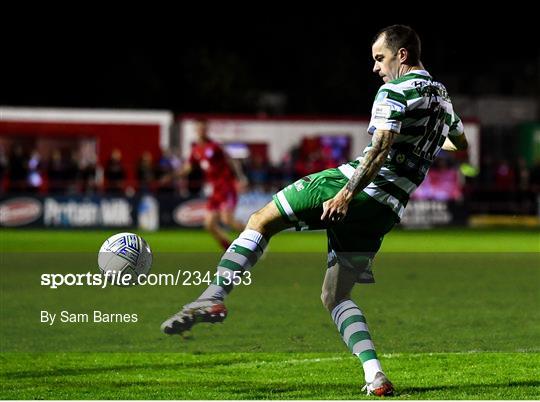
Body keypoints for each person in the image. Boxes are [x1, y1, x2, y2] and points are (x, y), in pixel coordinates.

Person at [161, 25, 468, 397]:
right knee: (335, 296)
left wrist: (345, 194)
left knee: (260, 220)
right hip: (387, 210)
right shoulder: (442, 97)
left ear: (402, 55)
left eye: (379, 58)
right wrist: (426, 142)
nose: (376, 68)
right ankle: (375, 375)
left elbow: (378, 149)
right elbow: (459, 142)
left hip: (352, 188)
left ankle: (213, 297)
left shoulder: (394, 90)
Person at [178, 119, 247, 250]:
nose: (201, 131)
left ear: (206, 130)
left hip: (226, 186)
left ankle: (256, 238)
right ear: (196, 131)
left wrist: (241, 178)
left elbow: (231, 161)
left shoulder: (214, 146)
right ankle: (229, 248)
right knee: (209, 224)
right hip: (215, 190)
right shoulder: (196, 150)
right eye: (199, 129)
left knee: (227, 220)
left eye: (203, 129)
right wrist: (175, 174)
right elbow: (188, 168)